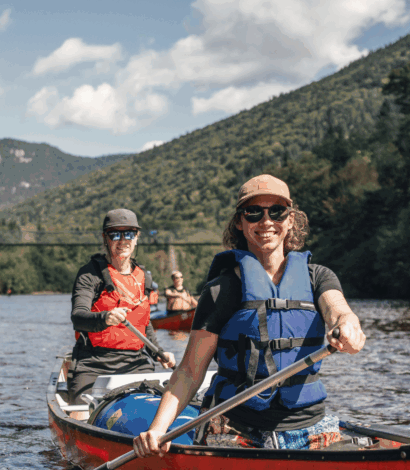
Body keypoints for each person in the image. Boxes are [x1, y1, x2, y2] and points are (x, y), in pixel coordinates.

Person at [132, 174, 365, 454]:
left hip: (307, 425)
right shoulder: (221, 290)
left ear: (290, 220)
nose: (266, 221)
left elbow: (340, 312)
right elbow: (190, 371)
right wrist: (158, 430)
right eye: (254, 213)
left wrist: (348, 329)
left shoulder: (318, 277)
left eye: (277, 212)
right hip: (235, 426)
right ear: (240, 223)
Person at [69, 208, 176, 419]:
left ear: (137, 237)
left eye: (129, 234)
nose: (122, 240)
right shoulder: (89, 274)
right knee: (80, 418)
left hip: (136, 364)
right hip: (94, 364)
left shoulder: (143, 276)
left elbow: (144, 323)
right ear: (105, 238)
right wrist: (105, 317)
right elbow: (78, 317)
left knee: (153, 417)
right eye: (115, 234)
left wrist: (158, 352)